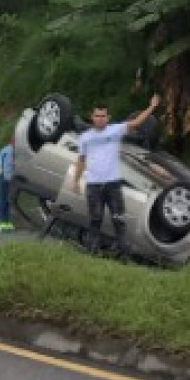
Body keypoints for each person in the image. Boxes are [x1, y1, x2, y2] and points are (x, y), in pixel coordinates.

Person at [73, 94, 161, 258]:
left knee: (119, 220)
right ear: (92, 117)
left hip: (113, 186)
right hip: (94, 186)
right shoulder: (86, 137)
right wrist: (76, 180)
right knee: (95, 219)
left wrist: (152, 107)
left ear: (108, 118)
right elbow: (81, 160)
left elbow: (137, 122)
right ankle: (92, 251)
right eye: (97, 116)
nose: (100, 119)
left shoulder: (115, 130)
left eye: (103, 116)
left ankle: (124, 254)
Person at [0, 138, 15, 232]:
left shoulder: (5, 149)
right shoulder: (10, 151)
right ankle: (1, 222)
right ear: (12, 142)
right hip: (6, 178)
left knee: (6, 200)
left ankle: (6, 221)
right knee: (4, 200)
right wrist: (7, 177)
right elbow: (8, 166)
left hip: (4, 176)